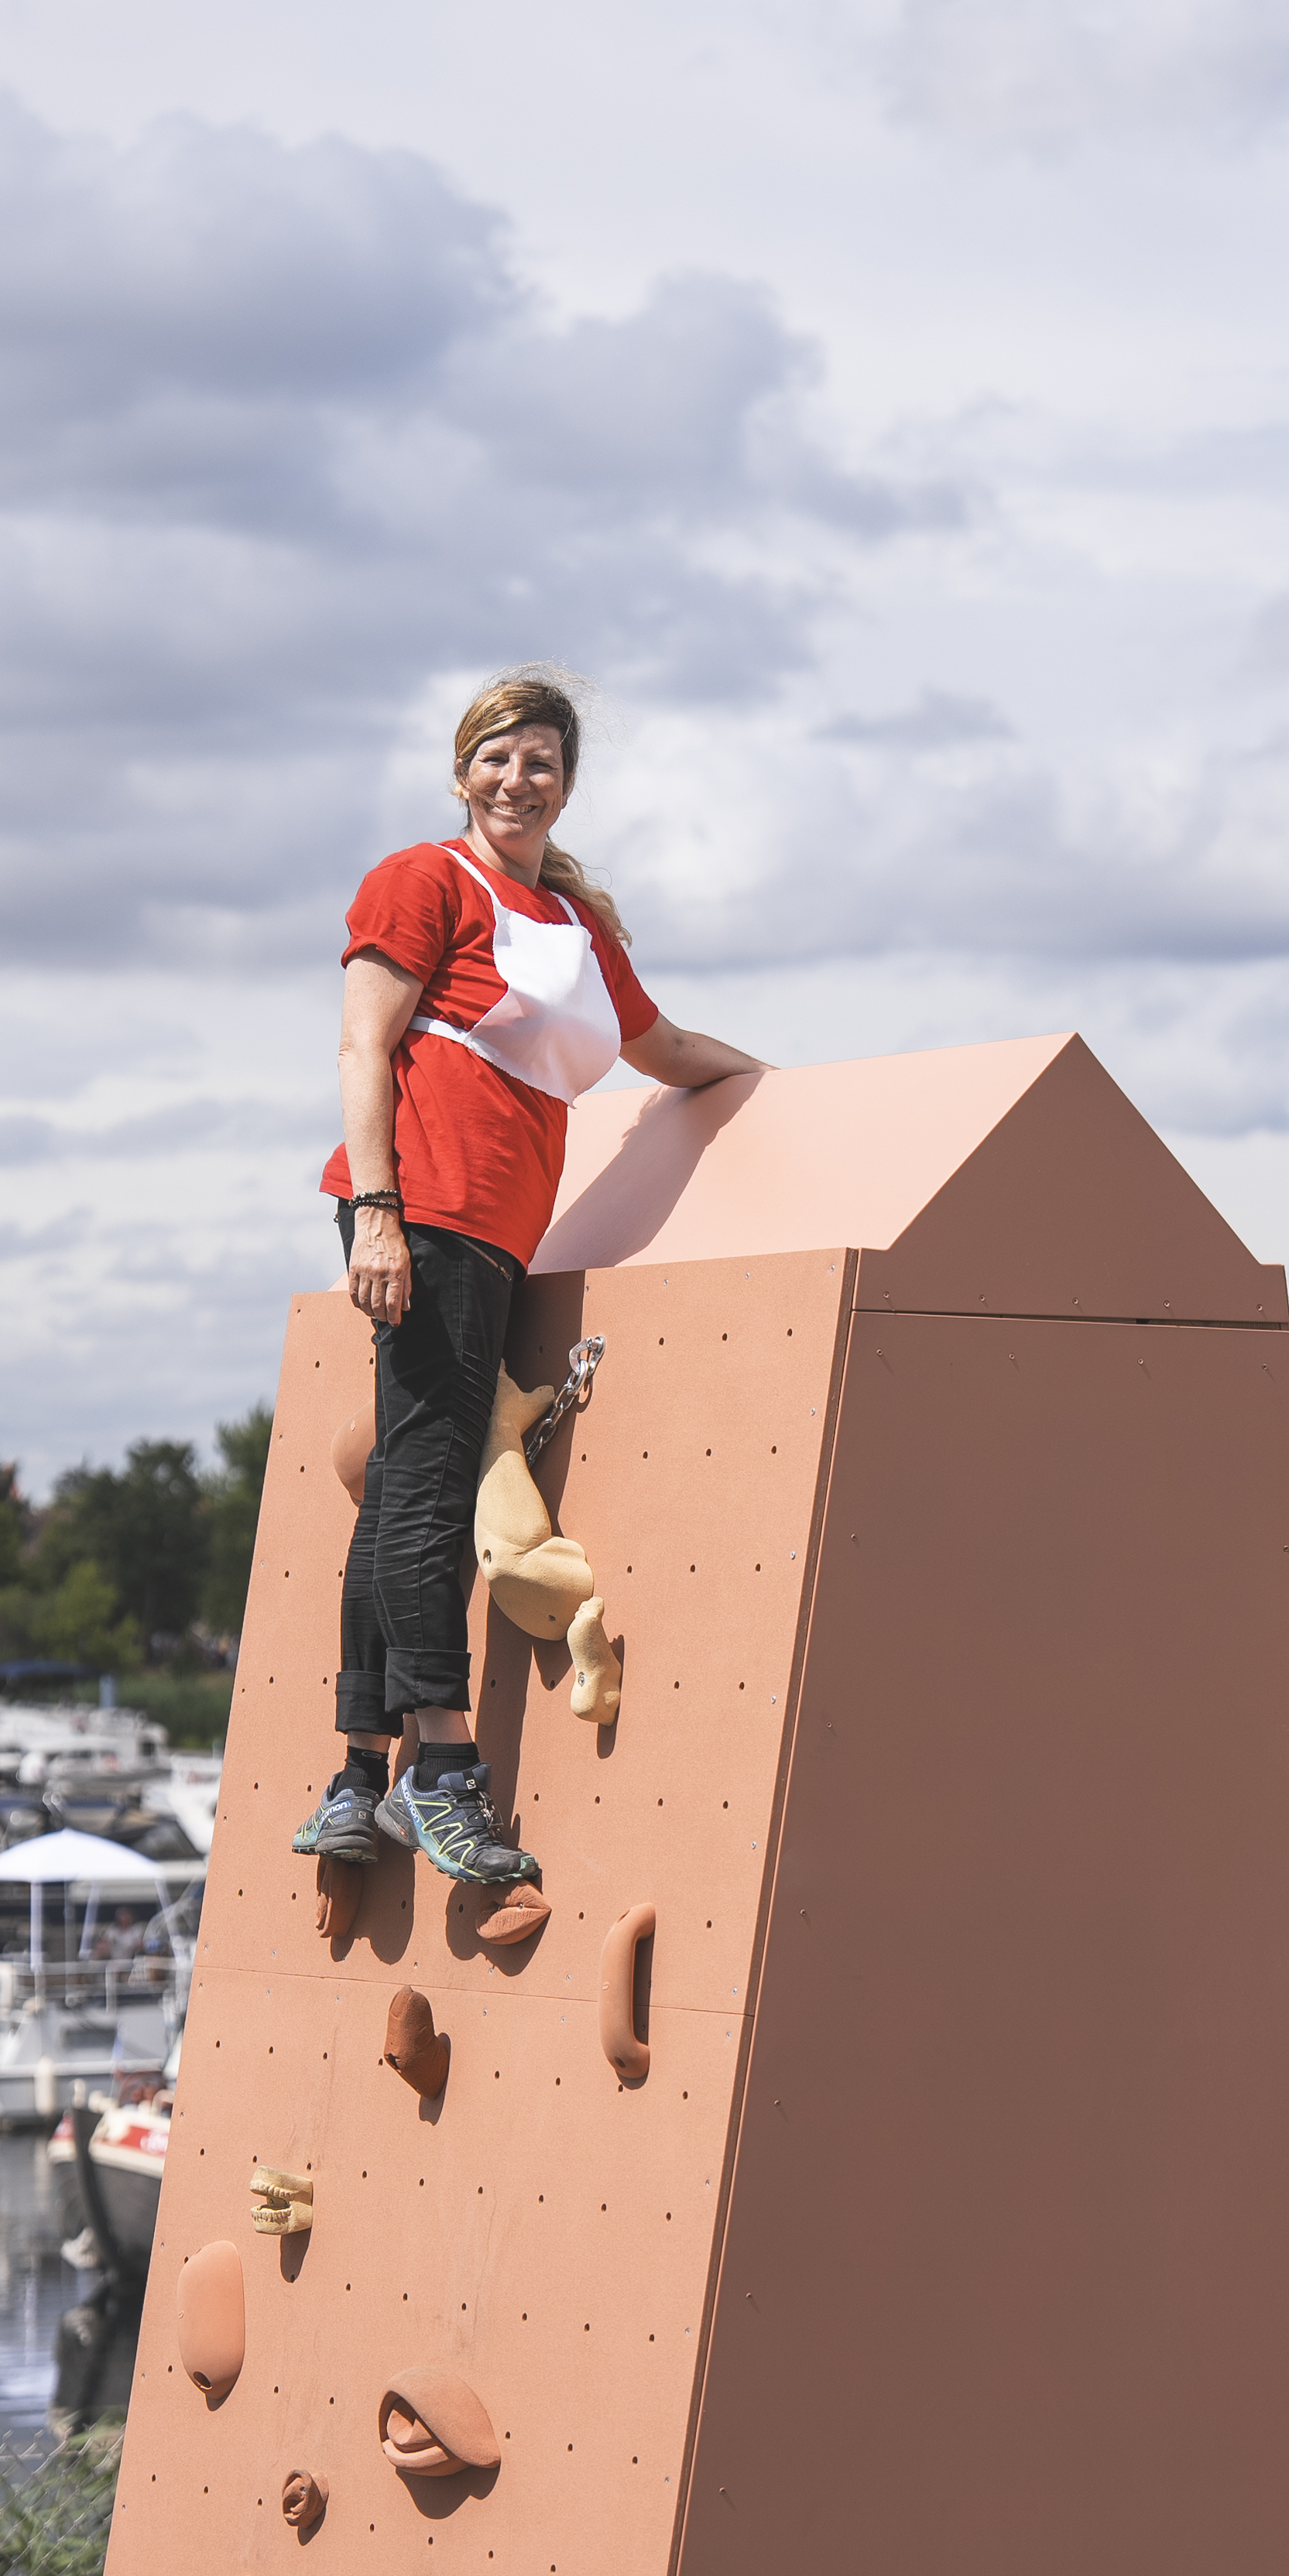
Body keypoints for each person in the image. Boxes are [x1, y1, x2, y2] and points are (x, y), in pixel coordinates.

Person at [299, 665, 766, 1889]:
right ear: (463, 772)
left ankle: (357, 1771)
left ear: (566, 787)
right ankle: (441, 1774)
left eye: (543, 761)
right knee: (431, 1486)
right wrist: (378, 1213)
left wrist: (776, 1083)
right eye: (498, 756)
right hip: (428, 1204)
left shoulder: (572, 928)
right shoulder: (423, 879)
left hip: (496, 1226)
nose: (519, 777)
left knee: (410, 1471)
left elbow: (658, 1047)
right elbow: (364, 1039)